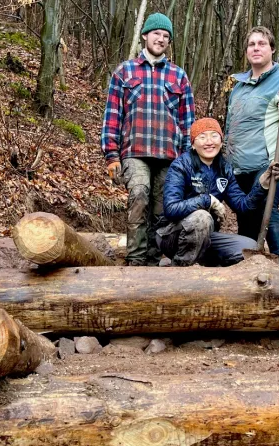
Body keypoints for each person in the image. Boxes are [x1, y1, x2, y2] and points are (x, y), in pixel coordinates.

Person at [101, 13, 195, 266]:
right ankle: (135, 260)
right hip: (134, 151)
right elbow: (112, 115)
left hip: (169, 156)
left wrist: (188, 159)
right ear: (145, 35)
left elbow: (188, 122)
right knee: (139, 196)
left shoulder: (179, 76)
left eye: (166, 36)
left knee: (161, 208)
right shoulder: (125, 71)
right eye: (156, 34)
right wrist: (111, 154)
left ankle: (153, 263)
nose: (161, 39)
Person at [224, 26, 279, 265]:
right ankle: (248, 268)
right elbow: (231, 126)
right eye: (251, 44)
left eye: (262, 43)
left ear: (272, 49)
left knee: (265, 209)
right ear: (246, 51)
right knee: (246, 216)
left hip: (271, 161)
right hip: (239, 165)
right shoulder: (238, 86)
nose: (256, 48)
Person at [157, 118, 279, 266]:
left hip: (206, 236)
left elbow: (243, 206)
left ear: (221, 141)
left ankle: (206, 264)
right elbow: (171, 209)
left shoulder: (224, 169)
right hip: (171, 235)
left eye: (214, 136)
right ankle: (181, 268)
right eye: (202, 137)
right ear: (193, 144)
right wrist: (207, 200)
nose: (209, 142)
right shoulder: (181, 166)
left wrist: (262, 185)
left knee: (250, 247)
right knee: (202, 217)